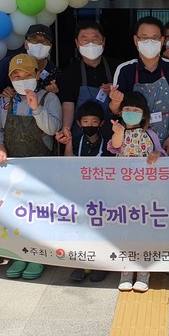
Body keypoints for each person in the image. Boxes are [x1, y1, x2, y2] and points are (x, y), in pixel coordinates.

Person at [0, 54, 62, 280]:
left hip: (42, 169)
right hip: (13, 169)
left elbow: (53, 129)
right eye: (16, 76)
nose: (22, 79)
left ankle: (38, 255)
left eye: (27, 74)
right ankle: (20, 254)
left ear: (37, 75)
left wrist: (36, 108)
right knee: (17, 212)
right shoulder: (5, 101)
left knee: (39, 212)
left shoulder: (49, 98)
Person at [107, 91, 166, 292]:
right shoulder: (119, 132)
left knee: (144, 232)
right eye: (127, 109)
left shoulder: (151, 134)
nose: (131, 112)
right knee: (125, 231)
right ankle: (125, 271)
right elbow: (116, 146)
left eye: (136, 109)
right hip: (123, 192)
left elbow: (161, 153)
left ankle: (143, 273)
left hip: (146, 193)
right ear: (121, 112)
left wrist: (157, 153)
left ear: (144, 115)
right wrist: (118, 132)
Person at [110, 17, 169, 155]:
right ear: (136, 40)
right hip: (133, 147)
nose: (150, 42)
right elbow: (116, 110)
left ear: (162, 41)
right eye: (144, 38)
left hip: (166, 143)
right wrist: (115, 102)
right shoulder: (125, 70)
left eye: (155, 38)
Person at [55, 100, 111, 283]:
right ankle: (81, 263)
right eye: (86, 121)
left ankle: (101, 264)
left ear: (101, 123)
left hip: (102, 195)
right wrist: (69, 143)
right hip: (80, 194)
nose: (90, 125)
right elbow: (69, 161)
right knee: (80, 229)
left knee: (101, 229)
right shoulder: (77, 141)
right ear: (79, 123)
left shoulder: (108, 144)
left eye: (94, 122)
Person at [57, 21, 118, 141]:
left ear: (103, 41)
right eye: (85, 40)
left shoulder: (117, 68)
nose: (90, 44)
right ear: (77, 43)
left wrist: (116, 91)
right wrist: (65, 130)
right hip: (80, 135)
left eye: (95, 39)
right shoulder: (70, 73)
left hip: (113, 135)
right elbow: (68, 105)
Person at [0, 24, 60, 96]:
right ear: (26, 44)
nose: (39, 45)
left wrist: (54, 94)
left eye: (44, 42)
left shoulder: (53, 71)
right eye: (35, 40)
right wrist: (3, 92)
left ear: (50, 47)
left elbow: (61, 97)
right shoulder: (8, 64)